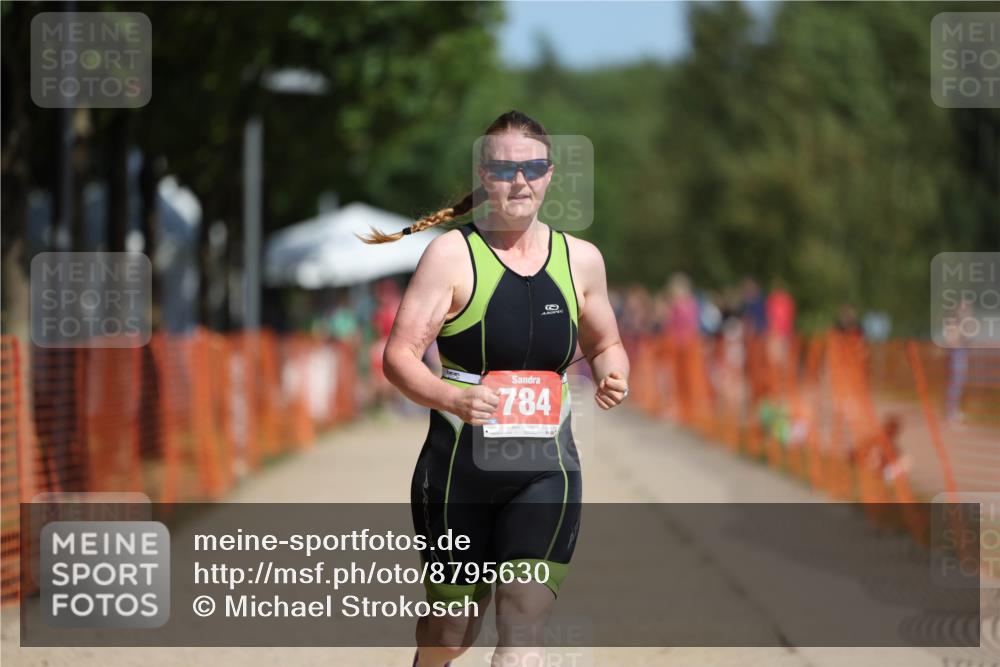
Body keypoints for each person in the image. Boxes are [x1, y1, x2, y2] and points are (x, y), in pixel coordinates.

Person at [361, 110, 630, 667]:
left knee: (523, 622)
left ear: (550, 175)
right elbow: (398, 357)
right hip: (459, 472)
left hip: (546, 471)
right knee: (451, 631)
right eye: (506, 169)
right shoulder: (451, 255)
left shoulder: (582, 261)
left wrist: (612, 371)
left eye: (532, 167)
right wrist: (450, 397)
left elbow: (606, 342)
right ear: (484, 176)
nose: (520, 181)